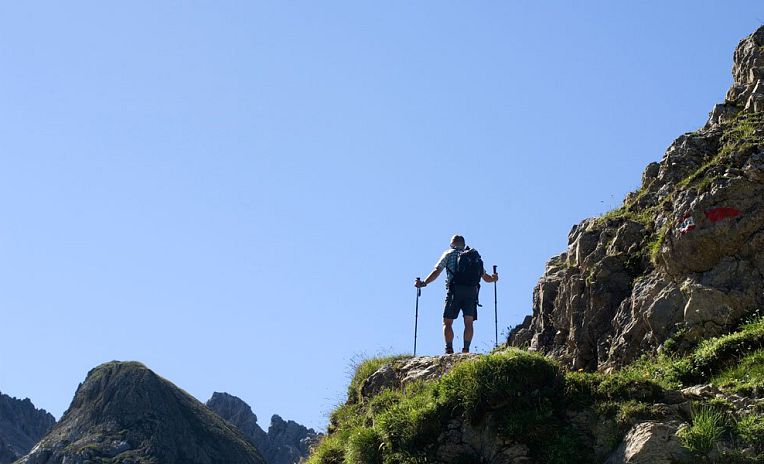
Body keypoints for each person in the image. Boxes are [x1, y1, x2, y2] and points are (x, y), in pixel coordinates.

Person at [414, 235, 498, 354]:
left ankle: (449, 349)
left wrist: (424, 283)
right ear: (463, 244)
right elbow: (487, 278)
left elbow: (437, 270)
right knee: (468, 322)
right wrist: (494, 278)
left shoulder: (449, 253)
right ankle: (466, 350)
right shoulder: (473, 256)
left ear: (452, 244)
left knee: (447, 321)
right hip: (472, 292)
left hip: (455, 290)